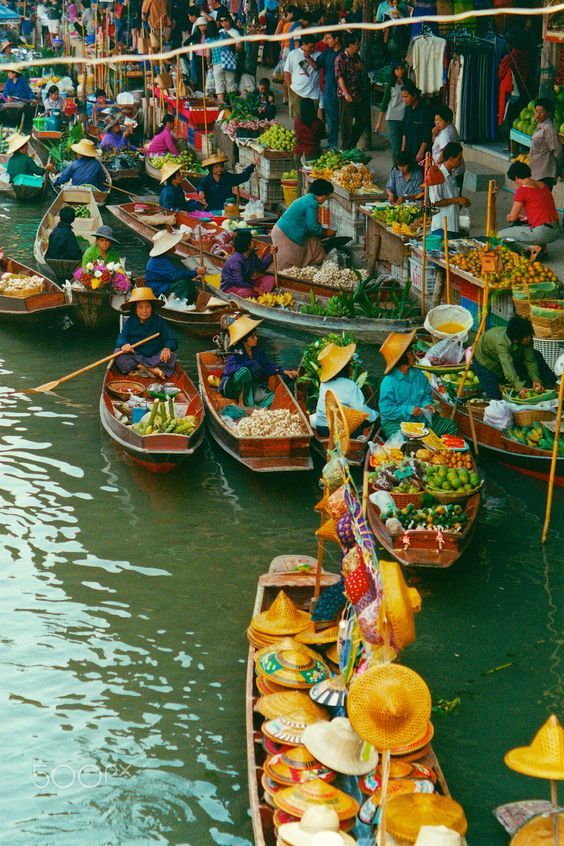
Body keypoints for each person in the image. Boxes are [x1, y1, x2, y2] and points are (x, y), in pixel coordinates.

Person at [379, 330, 458, 438]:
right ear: (403, 357)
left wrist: (427, 404)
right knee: (404, 438)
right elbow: (386, 409)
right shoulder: (389, 382)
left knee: (450, 426)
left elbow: (426, 395)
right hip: (396, 423)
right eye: (411, 352)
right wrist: (409, 410)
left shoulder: (418, 374)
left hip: (420, 421)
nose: (414, 354)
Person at [220, 315, 297, 406]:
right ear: (244, 340)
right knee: (244, 371)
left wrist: (284, 371)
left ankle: (253, 404)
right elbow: (230, 368)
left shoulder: (257, 351)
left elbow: (267, 364)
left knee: (272, 399)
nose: (256, 338)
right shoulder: (235, 351)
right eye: (252, 337)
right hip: (232, 388)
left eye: (255, 335)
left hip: (249, 387)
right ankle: (242, 403)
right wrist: (250, 365)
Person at [473, 316, 554, 399]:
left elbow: (530, 360)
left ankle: (551, 384)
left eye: (530, 335)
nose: (529, 338)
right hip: (485, 362)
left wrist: (536, 379)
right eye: (526, 337)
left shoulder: (526, 338)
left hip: (511, 356)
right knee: (495, 397)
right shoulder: (502, 343)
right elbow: (508, 367)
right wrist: (519, 386)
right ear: (515, 340)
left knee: (536, 355)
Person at [313, 342, 377, 437]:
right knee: (371, 418)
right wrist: (375, 415)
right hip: (340, 431)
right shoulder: (350, 385)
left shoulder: (323, 383)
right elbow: (361, 411)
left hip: (321, 428)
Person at [115, 286, 178, 380]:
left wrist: (167, 347)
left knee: (171, 356)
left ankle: (142, 368)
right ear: (135, 309)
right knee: (118, 354)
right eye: (140, 307)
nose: (144, 311)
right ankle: (152, 369)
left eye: (147, 307)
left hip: (155, 356)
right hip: (136, 356)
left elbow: (172, 339)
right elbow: (121, 338)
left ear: (151, 308)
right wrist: (124, 344)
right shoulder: (130, 322)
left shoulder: (159, 322)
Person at [271, 178, 334, 271]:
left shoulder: (308, 198)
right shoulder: (312, 203)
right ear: (323, 195)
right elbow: (312, 226)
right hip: (286, 234)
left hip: (285, 230)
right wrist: (325, 232)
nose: (326, 199)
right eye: (327, 196)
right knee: (288, 268)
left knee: (313, 244)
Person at [498, 161, 560, 248]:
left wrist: (509, 216)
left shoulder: (522, 191)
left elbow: (512, 218)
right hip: (556, 230)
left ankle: (530, 250)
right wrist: (527, 218)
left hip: (542, 232)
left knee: (500, 235)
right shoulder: (543, 185)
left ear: (516, 177)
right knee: (525, 224)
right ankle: (541, 247)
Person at [145, 230, 206, 304]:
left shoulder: (164, 257)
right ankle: (170, 304)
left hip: (165, 283)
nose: (174, 246)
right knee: (183, 284)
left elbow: (174, 273)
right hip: (158, 289)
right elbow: (175, 275)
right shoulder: (158, 260)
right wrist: (196, 272)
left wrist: (193, 275)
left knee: (189, 283)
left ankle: (189, 303)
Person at [428, 141, 471, 238]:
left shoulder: (451, 175)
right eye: (459, 158)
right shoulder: (437, 175)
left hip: (452, 225)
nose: (460, 161)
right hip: (441, 228)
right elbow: (435, 201)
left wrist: (461, 200)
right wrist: (457, 200)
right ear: (451, 159)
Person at [335, 32, 368, 151]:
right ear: (351, 45)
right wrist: (346, 93)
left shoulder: (356, 57)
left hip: (358, 94)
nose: (358, 46)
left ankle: (351, 144)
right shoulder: (340, 58)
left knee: (363, 119)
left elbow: (361, 68)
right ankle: (345, 148)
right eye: (357, 44)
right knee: (345, 123)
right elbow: (340, 77)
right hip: (346, 95)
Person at [220, 230, 276, 298]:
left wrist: (271, 254)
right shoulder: (236, 261)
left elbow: (262, 266)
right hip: (232, 288)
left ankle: (258, 295)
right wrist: (255, 289)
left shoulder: (251, 255)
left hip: (247, 283)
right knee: (244, 293)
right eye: (251, 240)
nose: (254, 241)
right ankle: (258, 295)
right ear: (246, 243)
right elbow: (239, 282)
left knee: (270, 279)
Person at [375, 60, 406, 164]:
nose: (400, 71)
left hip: (406, 118)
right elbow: (384, 104)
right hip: (393, 118)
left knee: (405, 147)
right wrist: (379, 122)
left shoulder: (408, 83)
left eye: (401, 68)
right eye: (397, 69)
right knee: (396, 147)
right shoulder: (390, 86)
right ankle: (395, 171)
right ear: (393, 71)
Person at [283, 34, 321, 119]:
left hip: (313, 94)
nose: (313, 49)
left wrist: (309, 58)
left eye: (314, 47)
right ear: (304, 44)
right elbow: (287, 72)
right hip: (296, 91)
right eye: (310, 47)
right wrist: (290, 88)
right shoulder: (293, 54)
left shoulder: (318, 55)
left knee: (312, 118)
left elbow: (316, 67)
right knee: (298, 118)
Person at [529, 98, 561, 191]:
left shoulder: (549, 129)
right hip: (535, 171)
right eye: (536, 111)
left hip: (545, 173)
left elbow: (557, 151)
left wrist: (556, 170)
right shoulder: (539, 126)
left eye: (541, 112)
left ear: (548, 113)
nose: (537, 115)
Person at [317, 31, 342, 150]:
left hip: (341, 90)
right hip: (329, 88)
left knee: (339, 117)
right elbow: (317, 65)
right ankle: (332, 142)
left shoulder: (344, 54)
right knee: (330, 117)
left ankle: (336, 142)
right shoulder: (327, 53)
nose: (327, 41)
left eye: (329, 38)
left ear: (336, 39)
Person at [432, 104, 465, 191]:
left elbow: (445, 151)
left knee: (451, 193)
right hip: (456, 168)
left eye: (440, 121)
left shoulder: (445, 134)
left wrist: (437, 163)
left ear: (447, 121)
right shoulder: (449, 128)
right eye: (435, 120)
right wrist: (434, 135)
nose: (437, 123)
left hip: (449, 170)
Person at [401, 79, 433, 163]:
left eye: (406, 97)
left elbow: (427, 132)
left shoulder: (425, 109)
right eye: (403, 97)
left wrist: (421, 151)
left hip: (421, 149)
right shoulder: (408, 109)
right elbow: (404, 129)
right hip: (409, 147)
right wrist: (403, 148)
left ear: (414, 95)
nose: (404, 100)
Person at [213, 12, 241, 102]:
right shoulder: (219, 32)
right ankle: (222, 107)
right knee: (221, 85)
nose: (224, 23)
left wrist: (232, 42)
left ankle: (232, 107)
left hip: (230, 61)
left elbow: (239, 48)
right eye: (221, 21)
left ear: (230, 21)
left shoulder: (235, 33)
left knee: (230, 84)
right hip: (219, 60)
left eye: (226, 20)